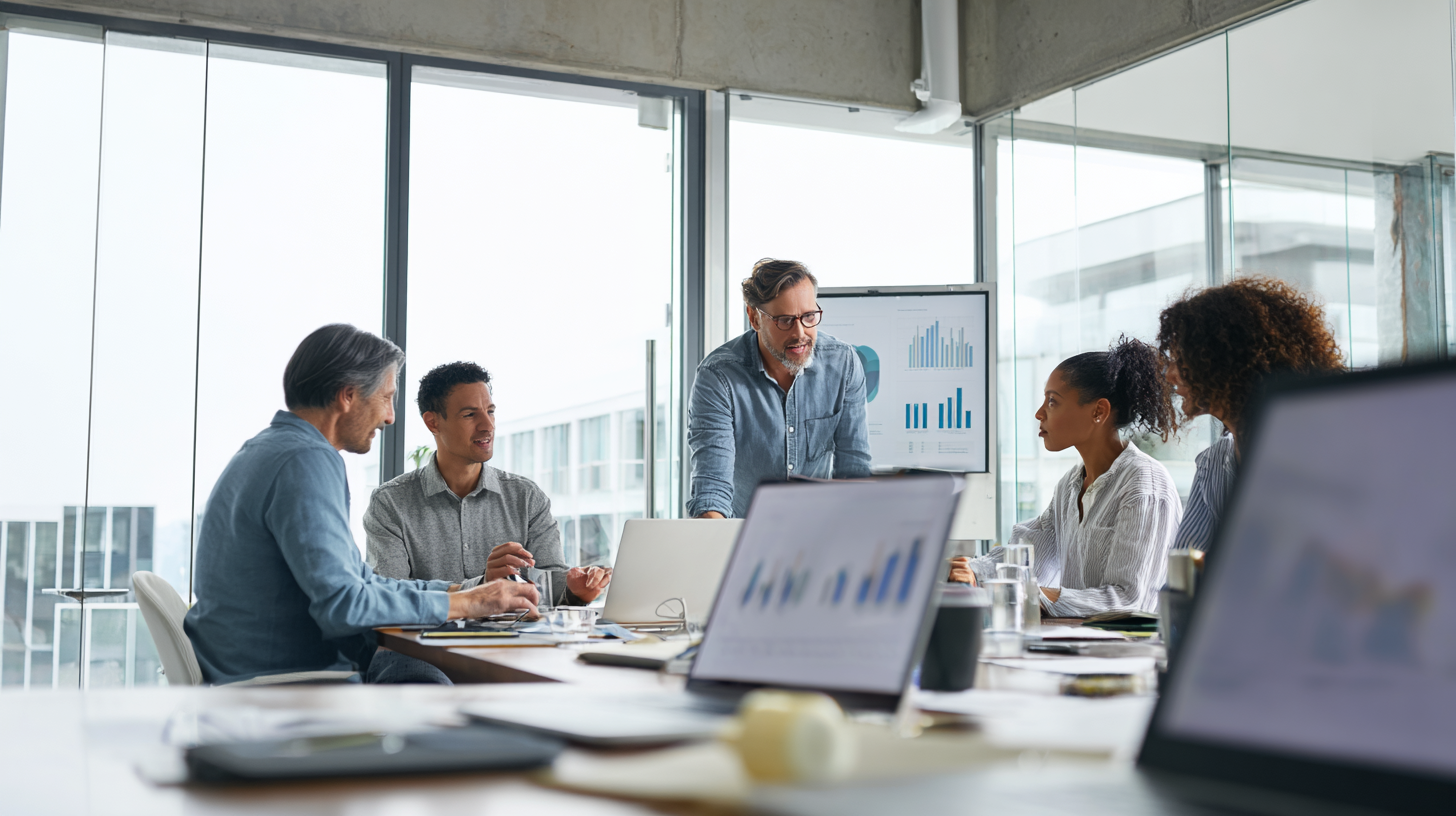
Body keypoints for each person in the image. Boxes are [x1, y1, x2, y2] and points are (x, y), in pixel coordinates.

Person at [184, 325, 538, 686]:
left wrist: (463, 593)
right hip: (285, 689)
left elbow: (361, 582)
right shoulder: (305, 460)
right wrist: (469, 604)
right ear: (348, 396)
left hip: (251, 675)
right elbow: (346, 605)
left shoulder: (272, 449)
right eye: (386, 398)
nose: (390, 417)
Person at [951, 336, 1182, 617]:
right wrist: (972, 570)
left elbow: (1129, 601)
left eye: (1052, 401)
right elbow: (1031, 556)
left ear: (1098, 411)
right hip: (1077, 640)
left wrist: (1025, 592)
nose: (1039, 413)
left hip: (1127, 644)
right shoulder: (1070, 485)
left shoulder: (1145, 484)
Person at [365, 361, 611, 605]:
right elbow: (389, 595)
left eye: (490, 411)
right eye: (470, 415)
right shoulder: (390, 503)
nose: (488, 425)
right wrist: (482, 586)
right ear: (433, 422)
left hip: (516, 632)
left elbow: (550, 584)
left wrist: (575, 589)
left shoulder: (526, 497)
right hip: (429, 633)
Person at [1157, 276, 1344, 557]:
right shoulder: (1213, 463)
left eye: (1180, 359)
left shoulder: (1320, 455)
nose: (1170, 375)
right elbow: (1186, 568)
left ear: (1223, 361)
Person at [687, 259, 871, 519]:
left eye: (809, 317)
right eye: (785, 320)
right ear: (754, 318)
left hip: (819, 530)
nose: (800, 333)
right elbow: (712, 489)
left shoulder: (843, 364)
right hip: (743, 533)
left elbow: (854, 471)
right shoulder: (718, 377)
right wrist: (719, 540)